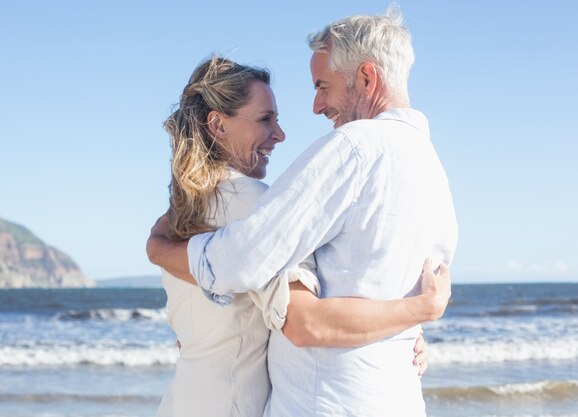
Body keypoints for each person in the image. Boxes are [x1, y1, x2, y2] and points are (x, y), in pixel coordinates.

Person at [150, 54, 451, 417]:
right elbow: (306, 321)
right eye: (265, 120)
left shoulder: (180, 211)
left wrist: (402, 334)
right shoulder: (256, 205)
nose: (280, 134)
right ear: (218, 125)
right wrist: (416, 311)